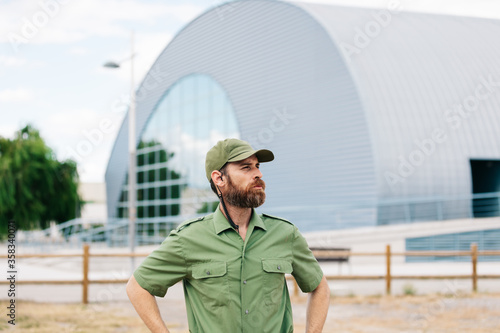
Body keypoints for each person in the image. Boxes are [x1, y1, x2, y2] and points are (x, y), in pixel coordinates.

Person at [126, 138, 330, 332]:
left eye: (257, 166)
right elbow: (138, 287)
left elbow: (320, 287)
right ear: (219, 178)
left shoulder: (285, 234)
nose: (257, 173)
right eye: (246, 167)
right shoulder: (188, 239)